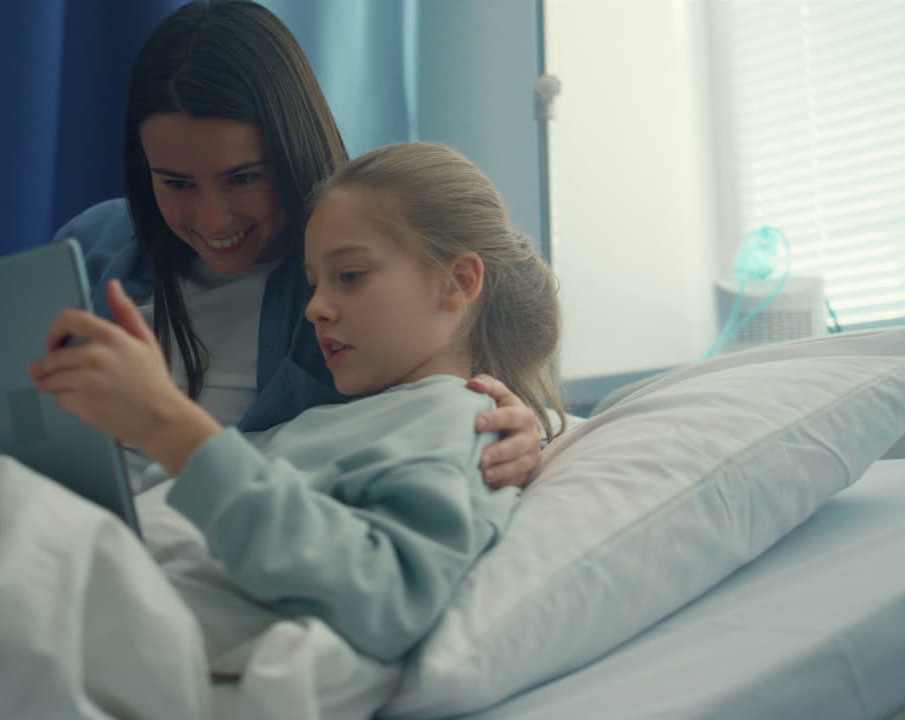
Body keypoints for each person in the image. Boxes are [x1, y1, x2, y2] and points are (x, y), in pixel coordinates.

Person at [28, 141, 566, 661]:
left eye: (349, 276)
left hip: (93, 627)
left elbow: (387, 596)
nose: (315, 309)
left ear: (458, 281)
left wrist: (170, 426)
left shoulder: (458, 419)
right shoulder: (330, 418)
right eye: (313, 284)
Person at [54, 0, 548, 489]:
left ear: (291, 148)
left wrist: (521, 426)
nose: (211, 218)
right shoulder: (93, 246)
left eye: (243, 177)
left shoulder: (352, 291)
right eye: (176, 183)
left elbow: (456, 376)